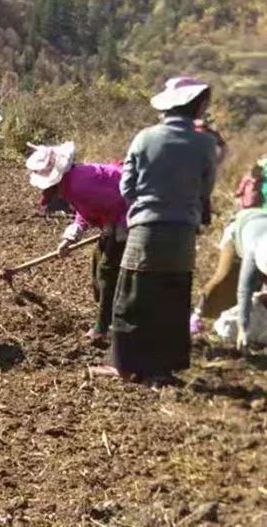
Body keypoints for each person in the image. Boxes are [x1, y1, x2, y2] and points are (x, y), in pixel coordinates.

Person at [106, 76, 217, 382]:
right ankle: (163, 369)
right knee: (172, 296)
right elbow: (206, 189)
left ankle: (127, 365)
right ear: (196, 106)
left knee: (134, 296)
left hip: (146, 229)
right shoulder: (206, 144)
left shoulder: (144, 138)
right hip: (182, 232)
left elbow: (126, 187)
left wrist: (147, 202)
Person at [27, 142, 129, 343]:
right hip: (115, 218)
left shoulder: (79, 184)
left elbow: (123, 199)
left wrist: (120, 230)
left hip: (131, 213)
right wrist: (71, 236)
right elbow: (86, 211)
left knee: (108, 270)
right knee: (98, 262)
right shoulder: (71, 185)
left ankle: (105, 327)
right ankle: (108, 314)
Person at [192, 209, 267, 351]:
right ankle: (197, 314)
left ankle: (266, 333)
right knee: (224, 276)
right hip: (241, 227)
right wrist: (242, 327)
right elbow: (245, 289)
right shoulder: (252, 247)